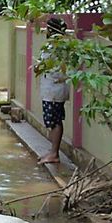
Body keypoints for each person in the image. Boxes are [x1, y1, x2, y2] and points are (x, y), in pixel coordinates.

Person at [38, 17, 69, 164]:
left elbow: (45, 67)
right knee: (53, 121)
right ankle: (52, 151)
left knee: (55, 121)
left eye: (47, 29)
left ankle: (54, 153)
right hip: (51, 89)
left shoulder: (57, 48)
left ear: (52, 30)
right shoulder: (56, 46)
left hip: (54, 89)